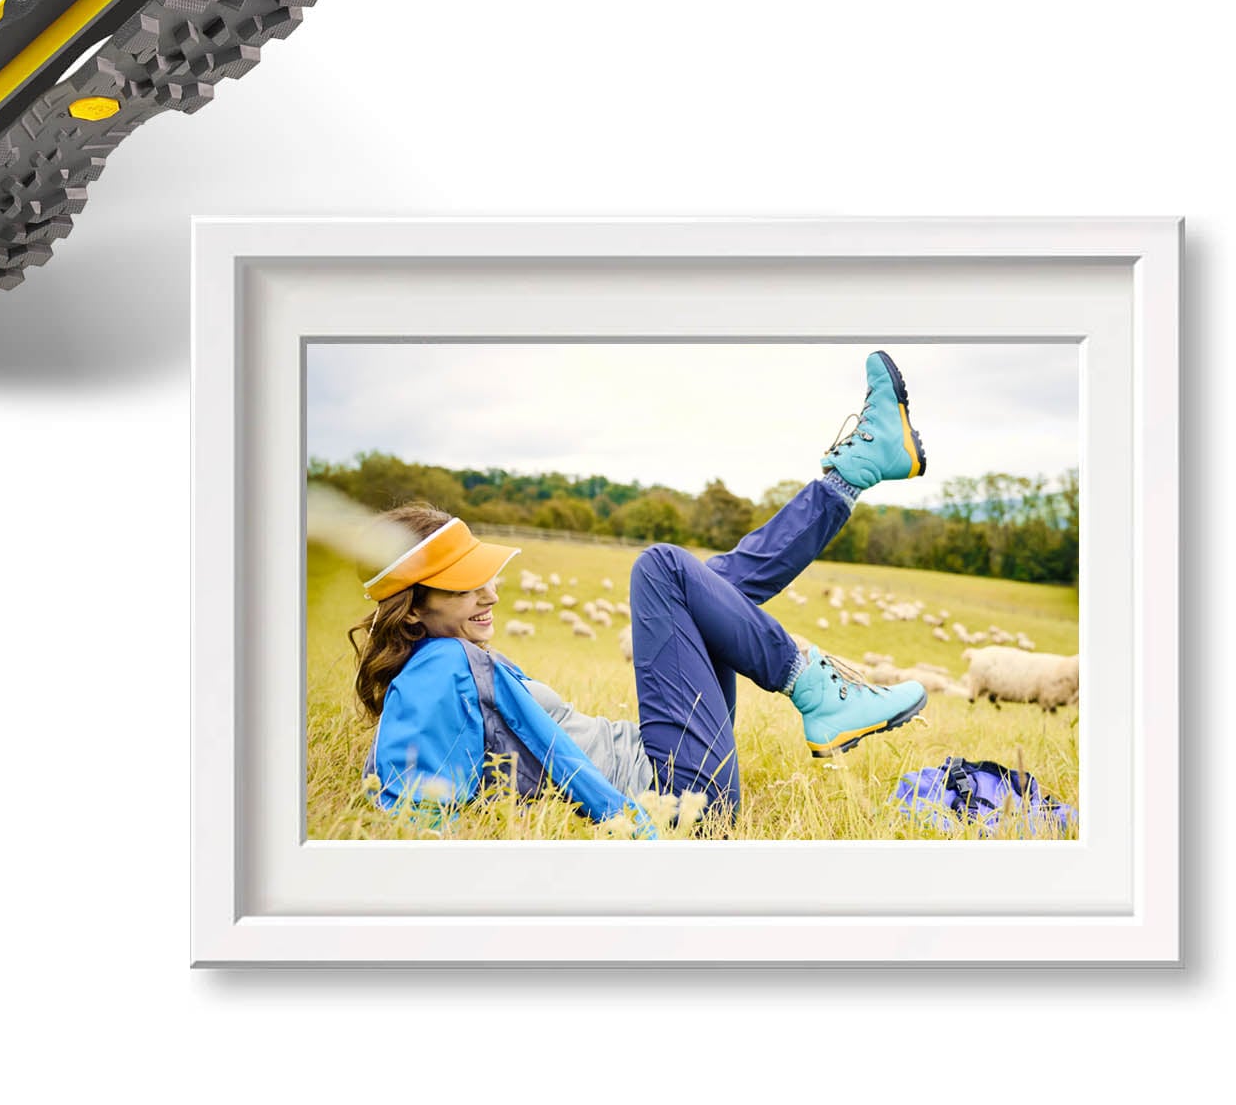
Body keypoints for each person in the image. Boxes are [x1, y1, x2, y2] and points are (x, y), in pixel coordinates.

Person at [349, 351, 930, 828]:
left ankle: (851, 477)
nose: (490, 594)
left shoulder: (447, 661)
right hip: (674, 793)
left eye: (485, 578)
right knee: (661, 569)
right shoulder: (434, 672)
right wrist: (627, 821)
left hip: (666, 761)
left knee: (710, 585)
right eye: (463, 586)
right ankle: (815, 690)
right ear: (414, 610)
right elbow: (410, 809)